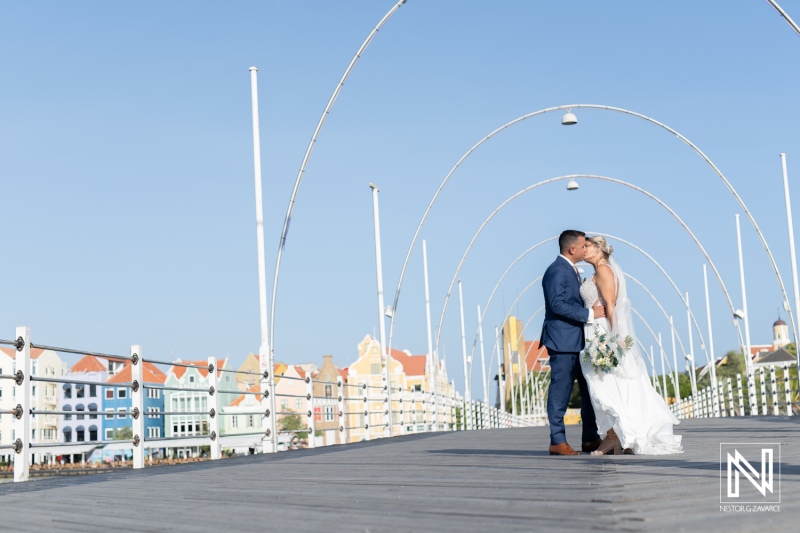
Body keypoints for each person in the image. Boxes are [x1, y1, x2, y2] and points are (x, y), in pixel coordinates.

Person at [580, 236, 683, 455]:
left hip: (601, 331)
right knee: (604, 384)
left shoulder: (604, 271)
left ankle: (617, 436)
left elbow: (611, 304)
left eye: (587, 246)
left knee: (607, 385)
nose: (583, 249)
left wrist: (613, 337)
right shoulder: (599, 271)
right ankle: (615, 437)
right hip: (594, 329)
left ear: (599, 249)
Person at [540, 230, 606, 455]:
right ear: (572, 249)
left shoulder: (571, 270)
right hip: (562, 341)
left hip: (578, 340)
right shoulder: (556, 271)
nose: (585, 248)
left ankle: (590, 438)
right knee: (561, 390)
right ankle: (557, 441)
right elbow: (557, 305)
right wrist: (590, 314)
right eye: (582, 245)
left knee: (588, 390)